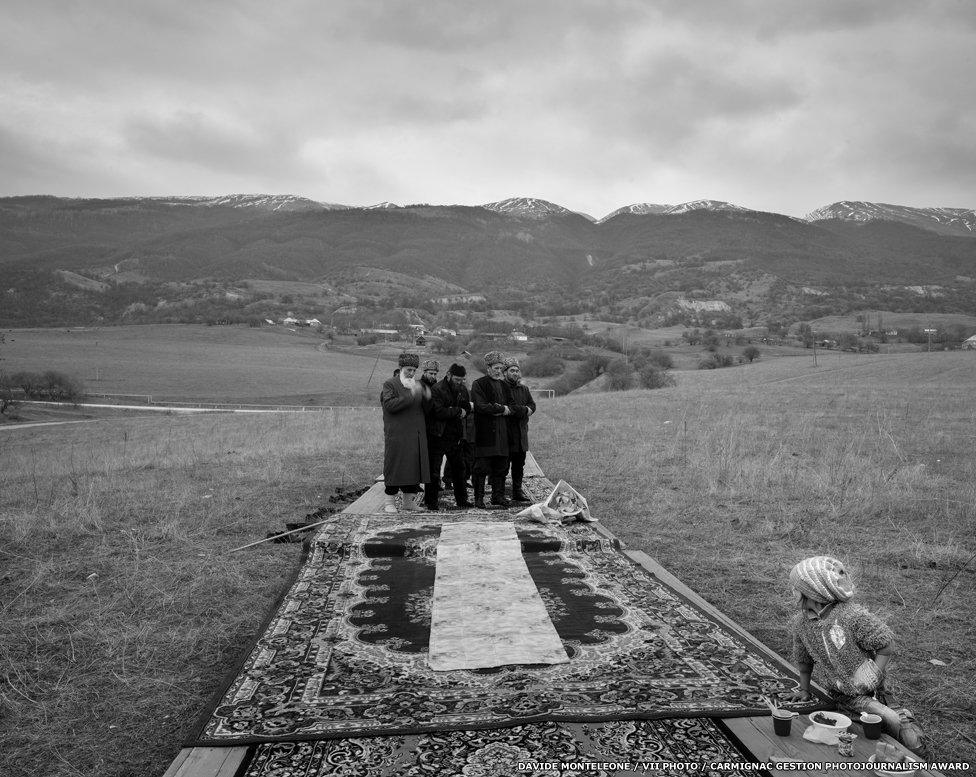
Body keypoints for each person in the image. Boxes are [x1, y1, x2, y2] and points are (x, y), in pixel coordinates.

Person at [786, 556, 925, 753]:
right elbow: (803, 660)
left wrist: (873, 674)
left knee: (907, 737)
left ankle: (916, 749)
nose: (793, 592)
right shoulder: (801, 624)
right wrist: (804, 689)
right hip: (843, 695)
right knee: (878, 724)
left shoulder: (851, 616)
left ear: (812, 590)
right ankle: (876, 718)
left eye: (796, 588)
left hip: (873, 690)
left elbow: (886, 643)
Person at [380, 352, 431, 514]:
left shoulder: (416, 385)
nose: (411, 373)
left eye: (414, 370)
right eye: (408, 370)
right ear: (401, 368)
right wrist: (411, 395)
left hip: (415, 435)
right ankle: (390, 503)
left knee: (413, 468)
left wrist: (428, 396)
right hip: (398, 436)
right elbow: (390, 406)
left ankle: (408, 502)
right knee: (395, 467)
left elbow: (425, 408)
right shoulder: (390, 384)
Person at [425, 362, 474, 509]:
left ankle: (462, 500)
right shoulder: (437, 389)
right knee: (434, 471)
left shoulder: (462, 389)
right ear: (448, 375)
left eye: (461, 380)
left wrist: (457, 410)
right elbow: (439, 412)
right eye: (457, 379)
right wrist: (458, 412)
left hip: (455, 436)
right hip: (437, 435)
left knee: (459, 470)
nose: (459, 382)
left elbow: (467, 407)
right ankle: (431, 502)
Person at [470, 351, 512, 509]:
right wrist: (501, 409)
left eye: (501, 368)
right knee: (481, 469)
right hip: (486, 434)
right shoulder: (479, 384)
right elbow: (481, 406)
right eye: (496, 367)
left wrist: (509, 409)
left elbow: (512, 405)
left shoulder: (504, 385)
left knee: (501, 468)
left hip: (503, 435)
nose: (498, 371)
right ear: (488, 368)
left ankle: (497, 496)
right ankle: (479, 498)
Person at [501, 356, 535, 503]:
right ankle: (499, 493)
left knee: (519, 466)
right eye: (512, 370)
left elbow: (532, 405)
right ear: (505, 372)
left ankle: (517, 492)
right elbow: (511, 409)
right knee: (502, 467)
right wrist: (523, 410)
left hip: (521, 433)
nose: (515, 373)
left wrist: (527, 410)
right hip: (506, 434)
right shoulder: (500, 388)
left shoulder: (524, 389)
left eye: (517, 371)